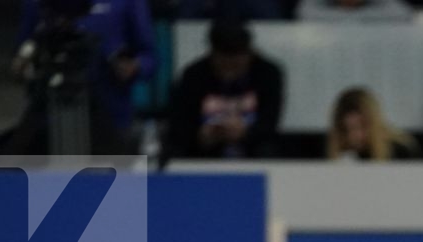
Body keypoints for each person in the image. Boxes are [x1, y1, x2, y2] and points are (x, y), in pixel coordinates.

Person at [16, 0, 155, 139]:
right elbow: (24, 51)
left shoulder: (128, 3)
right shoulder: (35, 4)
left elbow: (150, 57)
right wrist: (25, 65)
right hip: (49, 116)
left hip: (110, 115)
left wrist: (133, 66)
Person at [167, 19, 284, 161]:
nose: (231, 70)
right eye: (224, 64)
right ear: (213, 55)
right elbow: (181, 122)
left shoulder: (268, 73)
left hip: (253, 144)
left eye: (236, 64)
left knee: (269, 149)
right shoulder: (193, 75)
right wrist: (201, 135)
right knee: (175, 150)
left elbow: (270, 120)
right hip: (205, 147)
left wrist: (245, 132)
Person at [327, 87, 419, 161]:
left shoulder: (400, 152)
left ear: (375, 124)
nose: (355, 136)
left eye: (363, 126)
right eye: (346, 129)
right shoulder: (340, 154)